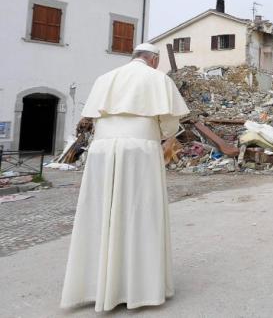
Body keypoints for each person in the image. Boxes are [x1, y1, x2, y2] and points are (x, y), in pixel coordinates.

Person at [60, 43, 189, 312]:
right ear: (153, 60)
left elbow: (93, 117)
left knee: (100, 213)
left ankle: (96, 285)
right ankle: (138, 287)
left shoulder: (105, 79)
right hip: (139, 150)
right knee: (140, 212)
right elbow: (169, 125)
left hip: (102, 151)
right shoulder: (157, 78)